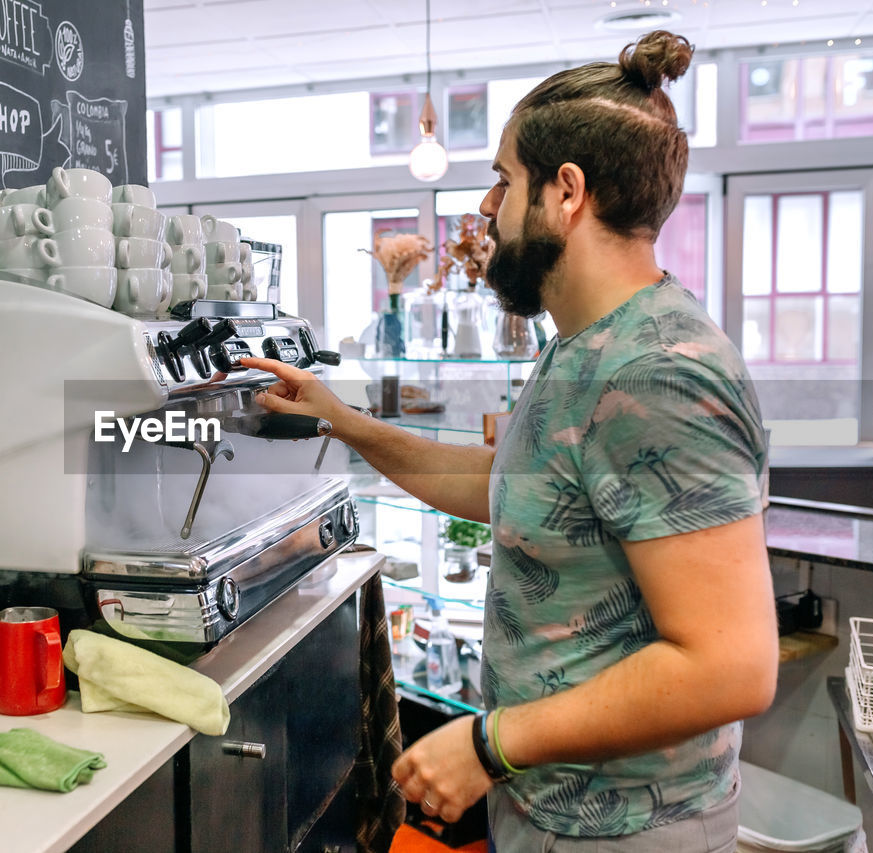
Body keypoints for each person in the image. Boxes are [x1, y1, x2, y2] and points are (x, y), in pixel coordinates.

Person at [241, 30, 778, 853]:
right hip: (549, 810)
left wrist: (491, 742)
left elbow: (730, 664)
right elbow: (516, 482)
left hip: (630, 830)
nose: (487, 208)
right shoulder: (584, 344)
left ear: (567, 191)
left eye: (502, 179)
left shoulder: (657, 371)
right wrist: (338, 418)